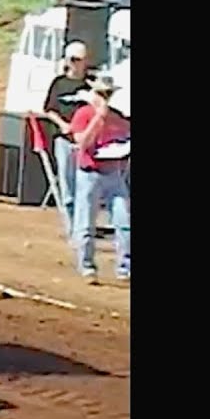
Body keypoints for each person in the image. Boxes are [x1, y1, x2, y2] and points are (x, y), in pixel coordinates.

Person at [68, 74, 130, 283]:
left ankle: (125, 266)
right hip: (90, 173)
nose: (105, 98)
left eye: (108, 94)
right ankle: (87, 265)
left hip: (113, 172)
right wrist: (98, 118)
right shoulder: (83, 114)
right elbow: (82, 142)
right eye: (102, 93)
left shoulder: (118, 117)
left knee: (123, 221)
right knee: (86, 222)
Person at [41, 41, 92, 237]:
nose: (75, 63)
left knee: (86, 186)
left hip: (86, 141)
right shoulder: (59, 83)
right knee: (68, 186)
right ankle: (73, 228)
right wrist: (63, 125)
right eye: (71, 59)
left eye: (78, 60)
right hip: (64, 139)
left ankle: (84, 226)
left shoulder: (91, 84)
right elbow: (49, 109)